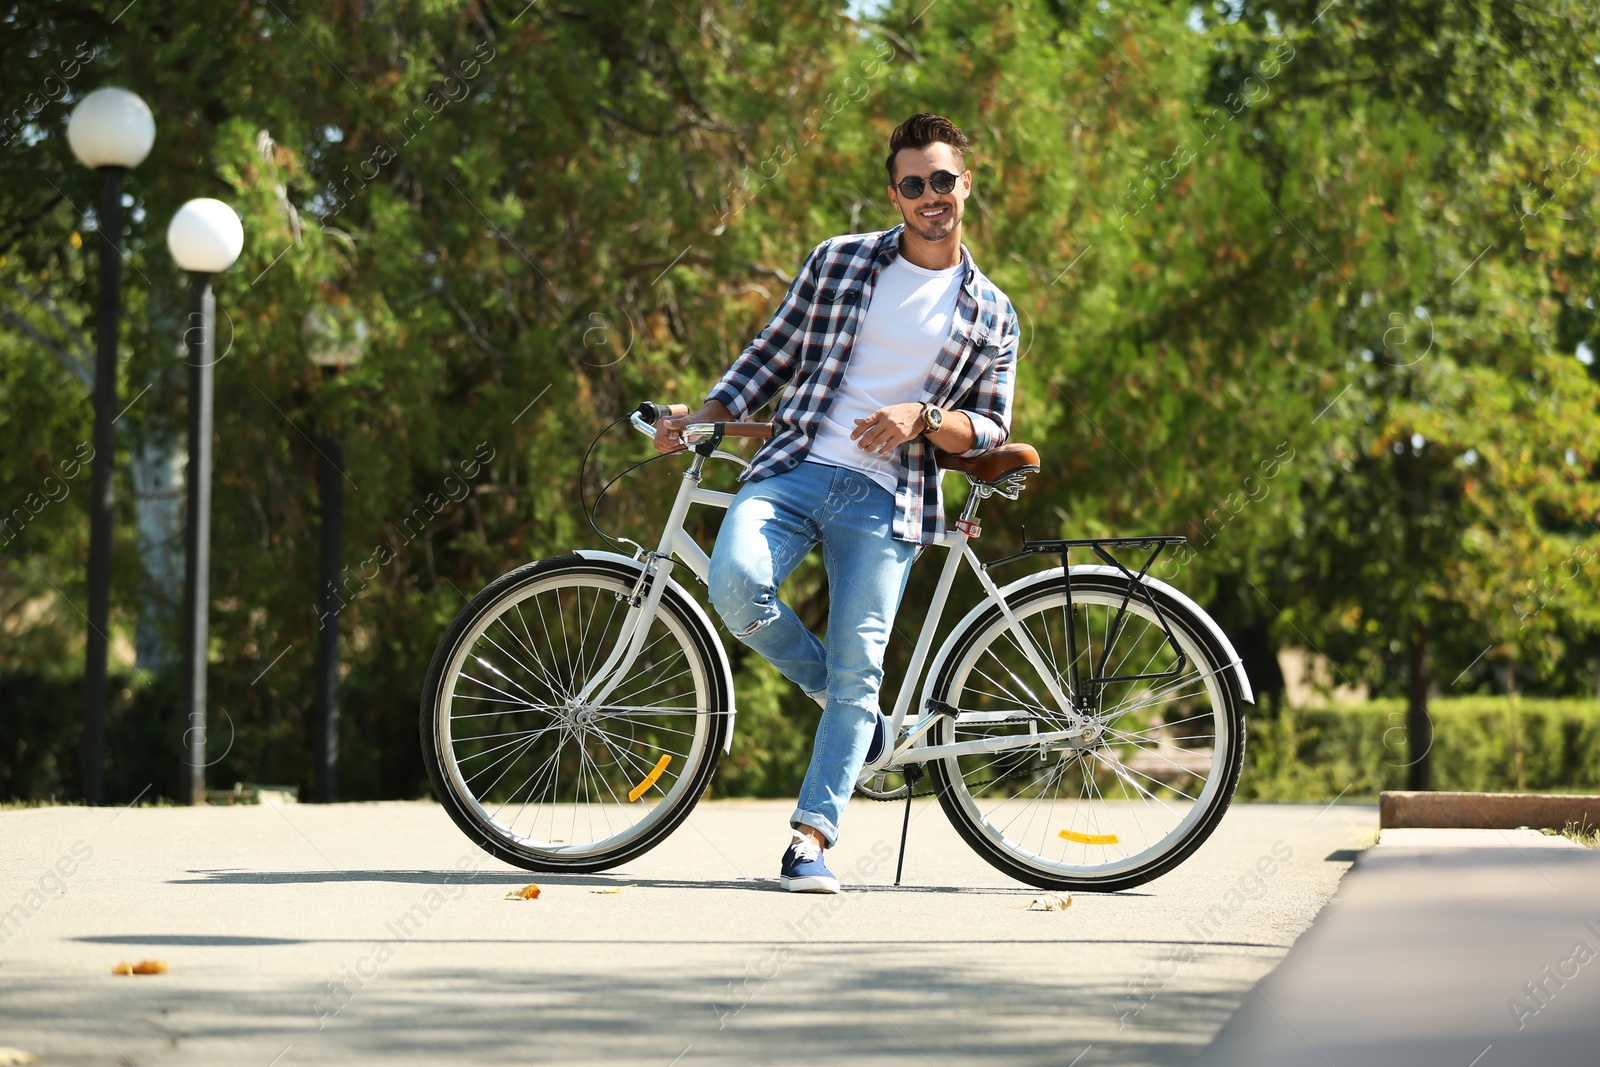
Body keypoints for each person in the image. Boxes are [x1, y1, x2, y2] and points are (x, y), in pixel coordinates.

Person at [655, 113, 1019, 893]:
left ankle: (809, 840)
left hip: (891, 500)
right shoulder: (839, 262)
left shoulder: (992, 311)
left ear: (967, 184)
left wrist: (922, 417)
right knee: (734, 581)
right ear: (895, 194)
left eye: (943, 180)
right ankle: (853, 711)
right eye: (914, 183)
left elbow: (990, 422)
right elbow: (772, 351)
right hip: (796, 468)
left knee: (863, 666)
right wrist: (706, 413)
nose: (931, 196)